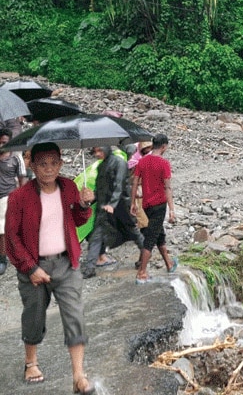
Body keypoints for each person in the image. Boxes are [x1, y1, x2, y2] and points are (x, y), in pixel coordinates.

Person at [5, 142, 96, 394]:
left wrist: (85, 205)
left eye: (53, 163)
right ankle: (31, 362)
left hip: (66, 262)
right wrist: (31, 268)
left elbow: (77, 220)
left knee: (74, 314)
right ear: (31, 165)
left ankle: (78, 375)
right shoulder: (19, 197)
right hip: (33, 265)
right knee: (34, 315)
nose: (48, 169)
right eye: (42, 164)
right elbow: (12, 237)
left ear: (61, 164)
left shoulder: (68, 187)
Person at [82, 146, 145, 279]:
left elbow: (119, 185)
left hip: (121, 206)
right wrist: (92, 198)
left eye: (100, 150)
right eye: (95, 151)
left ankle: (144, 257)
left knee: (133, 232)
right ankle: (90, 268)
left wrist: (112, 204)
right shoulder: (101, 167)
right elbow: (101, 188)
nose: (97, 154)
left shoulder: (119, 163)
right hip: (104, 207)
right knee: (96, 236)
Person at [130, 134, 178, 283]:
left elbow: (135, 183)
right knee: (150, 239)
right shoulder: (164, 164)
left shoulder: (142, 162)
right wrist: (171, 209)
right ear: (163, 146)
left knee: (158, 233)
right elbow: (167, 187)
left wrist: (132, 203)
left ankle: (169, 263)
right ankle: (142, 272)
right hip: (159, 205)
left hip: (145, 204)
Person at [0, 128, 27, 275]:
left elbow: (23, 178)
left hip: (7, 197)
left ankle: (2, 259)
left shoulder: (15, 158)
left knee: (2, 229)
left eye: (4, 142)